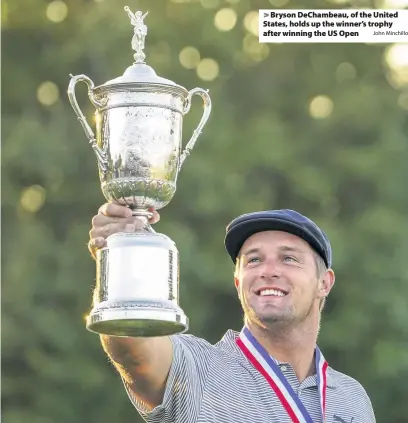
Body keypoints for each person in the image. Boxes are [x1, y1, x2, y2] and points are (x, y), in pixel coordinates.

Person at [89, 203, 376, 423]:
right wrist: (118, 257)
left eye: (289, 258)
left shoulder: (352, 399)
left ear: (324, 283)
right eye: (253, 260)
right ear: (238, 281)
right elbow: (131, 346)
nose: (268, 271)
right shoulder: (198, 369)